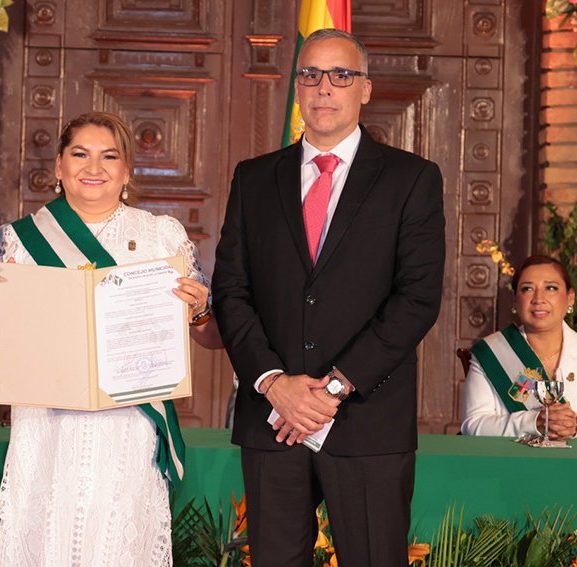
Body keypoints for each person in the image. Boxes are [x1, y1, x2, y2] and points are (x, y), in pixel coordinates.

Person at [212, 29, 445, 566]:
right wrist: (274, 384)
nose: (324, 87)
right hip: (273, 421)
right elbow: (232, 289)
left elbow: (417, 298)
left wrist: (331, 390)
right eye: (310, 74)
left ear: (365, 89)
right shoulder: (253, 179)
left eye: (340, 75)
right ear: (297, 88)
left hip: (366, 421)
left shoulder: (411, 179)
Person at [0, 111, 221, 565]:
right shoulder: (19, 241)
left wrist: (199, 309)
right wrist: (0, 302)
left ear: (126, 172)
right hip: (47, 424)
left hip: (128, 424)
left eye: (109, 156)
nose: (94, 167)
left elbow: (212, 338)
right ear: (59, 166)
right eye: (79, 154)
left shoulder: (161, 235)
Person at [462, 255, 577, 439]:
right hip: (511, 464)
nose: (539, 298)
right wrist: (533, 422)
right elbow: (473, 426)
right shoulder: (492, 352)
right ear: (515, 301)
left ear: (570, 298)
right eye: (527, 289)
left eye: (551, 288)